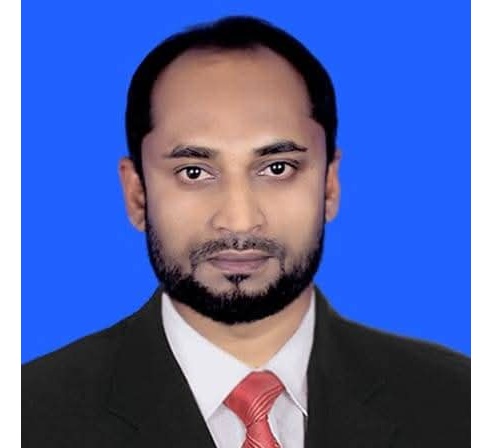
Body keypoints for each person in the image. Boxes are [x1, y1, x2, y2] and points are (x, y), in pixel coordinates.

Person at [22, 15, 470, 447]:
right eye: (194, 172)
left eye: (277, 168)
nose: (239, 220)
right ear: (136, 193)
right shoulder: (27, 417)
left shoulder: (462, 404)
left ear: (330, 185)